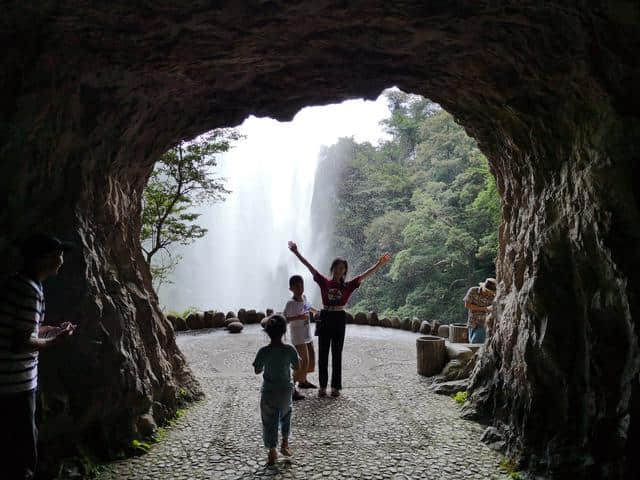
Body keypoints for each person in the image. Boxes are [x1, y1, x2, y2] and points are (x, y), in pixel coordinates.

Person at [0, 234, 78, 480]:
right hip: (14, 383)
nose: (61, 260)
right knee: (22, 453)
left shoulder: (18, 283)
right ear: (43, 259)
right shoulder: (29, 291)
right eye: (58, 255)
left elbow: (27, 329)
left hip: (10, 381)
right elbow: (21, 341)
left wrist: (51, 329)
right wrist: (55, 341)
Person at [288, 241, 390, 398]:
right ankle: (322, 386)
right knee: (323, 353)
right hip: (325, 316)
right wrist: (296, 253)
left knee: (337, 353)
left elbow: (365, 275)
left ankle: (335, 387)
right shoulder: (324, 282)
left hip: (339, 317)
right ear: (332, 269)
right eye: (336, 267)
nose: (339, 270)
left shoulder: (348, 286)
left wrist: (379, 264)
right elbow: (309, 267)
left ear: (344, 271)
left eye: (342, 268)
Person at [252, 314, 300, 466]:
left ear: (267, 333)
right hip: (285, 391)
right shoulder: (289, 349)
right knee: (286, 415)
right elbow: (297, 365)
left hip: (269, 392)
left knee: (268, 420)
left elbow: (257, 370)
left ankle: (272, 452)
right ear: (285, 331)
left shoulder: (263, 351)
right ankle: (285, 444)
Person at [283, 275, 317, 401]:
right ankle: (292, 387)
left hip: (307, 335)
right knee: (301, 362)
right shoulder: (290, 303)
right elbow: (285, 318)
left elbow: (308, 307)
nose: (300, 288)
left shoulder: (304, 297)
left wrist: (316, 312)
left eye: (301, 285)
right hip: (298, 337)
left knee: (311, 360)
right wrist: (298, 317)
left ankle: (303, 380)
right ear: (291, 288)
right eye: (297, 286)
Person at [463, 277, 497, 344]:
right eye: (487, 291)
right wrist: (484, 308)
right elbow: (467, 305)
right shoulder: (473, 291)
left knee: (474, 344)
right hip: (472, 322)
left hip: (483, 324)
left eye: (491, 292)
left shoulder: (493, 297)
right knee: (471, 344)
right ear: (483, 287)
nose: (489, 293)